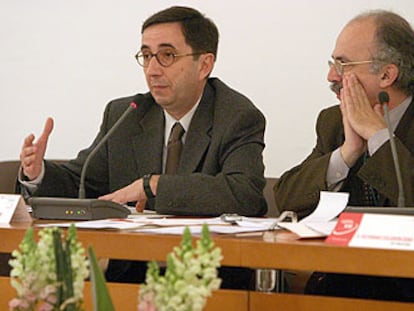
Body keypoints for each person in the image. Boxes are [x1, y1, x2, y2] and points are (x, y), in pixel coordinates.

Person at [18, 6, 267, 287]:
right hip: (131, 276)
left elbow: (244, 194)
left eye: (167, 56)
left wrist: (154, 185)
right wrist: (37, 173)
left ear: (204, 65)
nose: (152, 70)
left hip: (210, 279)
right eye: (146, 56)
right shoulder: (127, 113)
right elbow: (83, 181)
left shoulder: (236, 116)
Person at [274, 10, 414, 301]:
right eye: (332, 63)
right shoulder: (334, 121)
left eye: (343, 64)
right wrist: (347, 152)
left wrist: (378, 136)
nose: (331, 76)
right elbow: (287, 196)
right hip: (341, 282)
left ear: (387, 74)